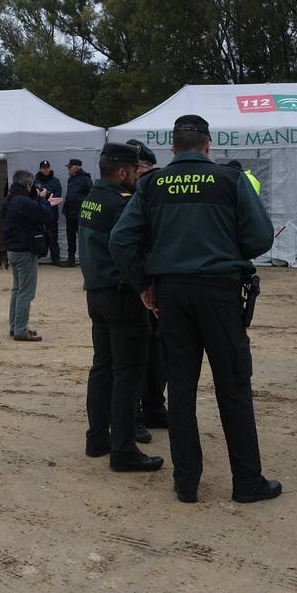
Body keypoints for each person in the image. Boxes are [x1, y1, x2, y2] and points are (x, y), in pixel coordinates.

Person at [109, 114, 282, 504]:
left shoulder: (152, 184)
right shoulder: (231, 180)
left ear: (173, 148)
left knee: (182, 389)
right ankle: (247, 481)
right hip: (220, 292)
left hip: (172, 294)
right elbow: (260, 238)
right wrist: (226, 251)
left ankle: (187, 482)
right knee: (234, 386)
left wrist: (143, 285)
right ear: (208, 145)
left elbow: (121, 241)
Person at [81, 142, 163, 472]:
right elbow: (131, 245)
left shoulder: (91, 198)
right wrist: (144, 284)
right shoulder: (121, 203)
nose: (135, 176)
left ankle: (97, 437)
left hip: (97, 292)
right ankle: (124, 450)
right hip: (122, 294)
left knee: (102, 367)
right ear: (122, 171)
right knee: (129, 373)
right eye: (133, 171)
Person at [126, 138, 163, 441]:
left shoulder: (154, 193)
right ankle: (133, 414)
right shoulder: (118, 196)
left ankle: (154, 405)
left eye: (140, 168)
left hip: (155, 281)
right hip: (131, 286)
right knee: (133, 355)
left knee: (158, 352)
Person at [1, 170, 48, 341]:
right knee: (26, 292)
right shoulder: (23, 201)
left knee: (17, 289)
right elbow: (43, 215)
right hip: (24, 249)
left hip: (12, 249)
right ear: (28, 184)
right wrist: (43, 200)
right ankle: (21, 329)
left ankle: (15, 326)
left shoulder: (10, 198)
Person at [61, 159, 93, 268]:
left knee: (83, 238)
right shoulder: (71, 179)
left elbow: (91, 195)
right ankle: (71, 259)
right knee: (70, 237)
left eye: (70, 167)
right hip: (70, 213)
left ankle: (87, 260)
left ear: (76, 167)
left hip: (80, 213)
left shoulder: (85, 179)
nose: (68, 169)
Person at [32, 161, 64, 265]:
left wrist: (47, 196)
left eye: (47, 167)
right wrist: (42, 197)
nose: (45, 169)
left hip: (52, 213)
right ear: (40, 169)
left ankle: (56, 258)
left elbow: (58, 195)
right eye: (43, 168)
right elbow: (33, 196)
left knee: (53, 236)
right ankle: (38, 258)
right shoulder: (35, 181)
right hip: (39, 213)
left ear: (50, 168)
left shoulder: (56, 181)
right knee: (39, 235)